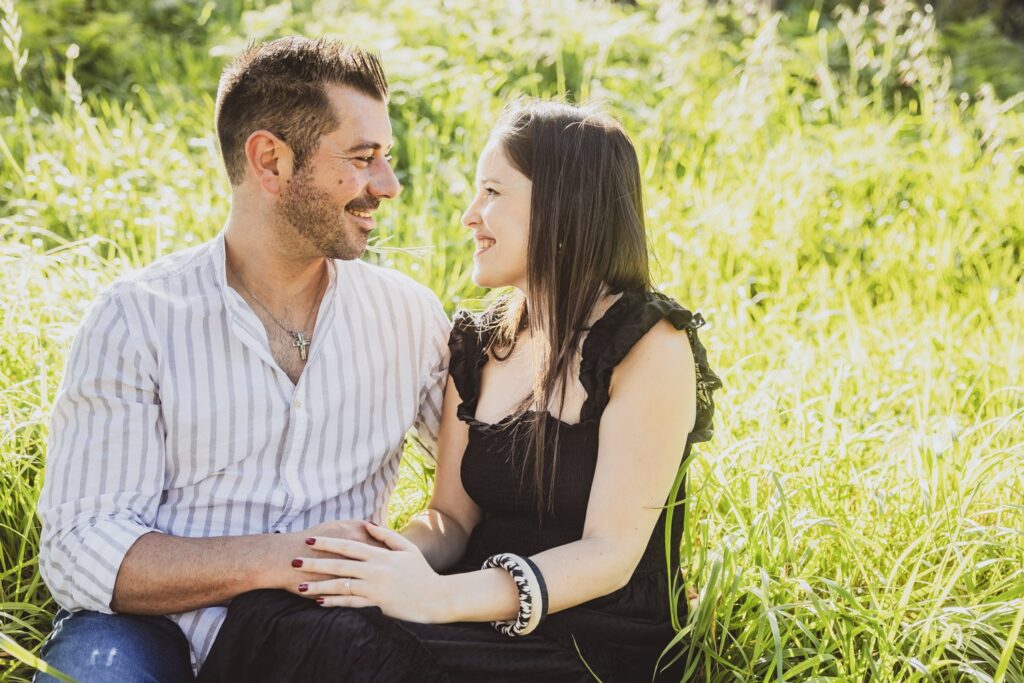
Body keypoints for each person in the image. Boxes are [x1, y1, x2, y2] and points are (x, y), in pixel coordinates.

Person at [197, 100, 721, 682]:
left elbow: (609, 555)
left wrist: (439, 600)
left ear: (565, 204)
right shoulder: (479, 345)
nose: (471, 215)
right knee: (277, 613)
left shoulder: (647, 343)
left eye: (493, 193)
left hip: (592, 644)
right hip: (471, 619)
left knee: (350, 653)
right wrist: (367, 565)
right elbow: (450, 521)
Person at [34, 37, 450, 682]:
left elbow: (484, 484)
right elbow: (80, 548)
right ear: (271, 160)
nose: (388, 187)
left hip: (324, 640)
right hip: (142, 631)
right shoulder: (136, 317)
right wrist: (285, 559)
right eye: (363, 159)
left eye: (385, 159)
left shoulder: (409, 318)